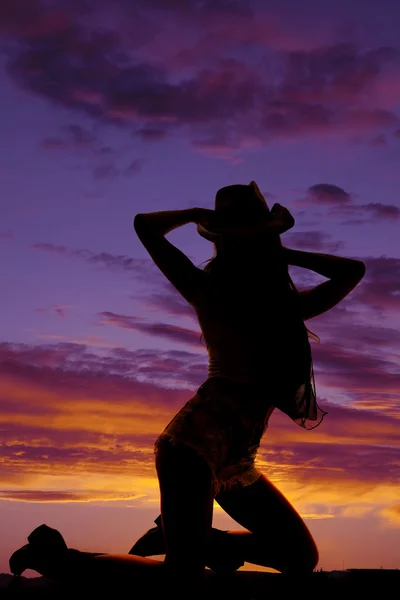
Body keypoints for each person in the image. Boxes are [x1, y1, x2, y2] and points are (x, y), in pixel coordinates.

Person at [9, 182, 366, 598]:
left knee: (298, 555)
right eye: (244, 237)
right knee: (184, 579)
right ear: (226, 242)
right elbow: (146, 227)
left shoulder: (286, 307)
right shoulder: (205, 289)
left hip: (236, 459)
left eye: (261, 237)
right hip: (191, 447)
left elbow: (352, 271)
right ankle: (59, 558)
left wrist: (275, 250)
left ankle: (202, 540)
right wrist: (200, 214)